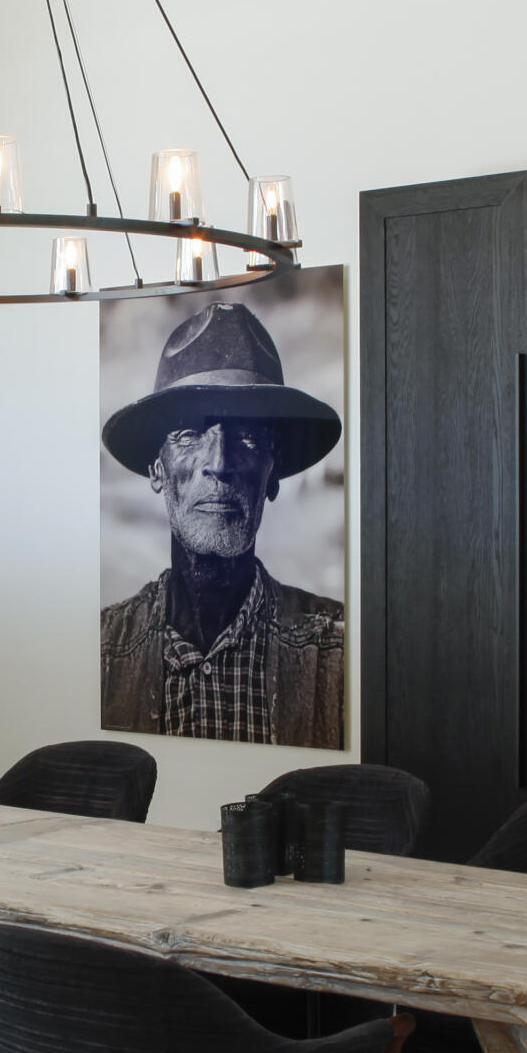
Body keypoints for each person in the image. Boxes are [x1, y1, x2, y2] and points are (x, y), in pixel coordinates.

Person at [100, 301, 345, 747]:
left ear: (273, 473)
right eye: (190, 433)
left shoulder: (338, 649)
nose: (220, 463)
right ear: (158, 469)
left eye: (248, 436)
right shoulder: (102, 649)